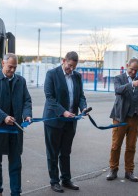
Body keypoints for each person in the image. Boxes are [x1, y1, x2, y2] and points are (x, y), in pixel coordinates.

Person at [0, 53, 32, 196]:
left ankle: (16, 192)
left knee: (16, 162)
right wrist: (3, 117)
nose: (12, 70)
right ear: (3, 64)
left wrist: (27, 114)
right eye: (10, 67)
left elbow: (27, 101)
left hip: (16, 128)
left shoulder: (20, 81)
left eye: (15, 67)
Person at [43, 51, 88, 193]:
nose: (71, 69)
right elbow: (50, 98)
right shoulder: (52, 74)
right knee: (53, 153)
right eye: (69, 66)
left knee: (66, 152)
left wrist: (84, 107)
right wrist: (63, 112)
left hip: (70, 121)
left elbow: (80, 96)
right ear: (64, 61)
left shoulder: (77, 76)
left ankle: (66, 179)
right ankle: (54, 181)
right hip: (54, 121)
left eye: (74, 67)